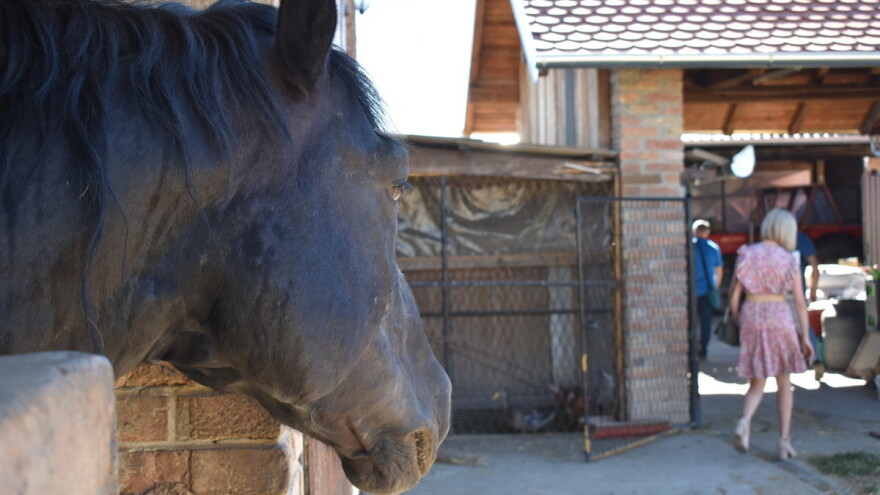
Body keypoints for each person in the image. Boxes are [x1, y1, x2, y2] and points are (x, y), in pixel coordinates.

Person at [729, 208, 814, 460]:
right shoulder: (790, 259)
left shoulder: (746, 253)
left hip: (752, 312)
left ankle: (744, 423)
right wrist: (805, 337)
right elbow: (799, 302)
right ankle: (784, 441)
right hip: (779, 314)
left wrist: (739, 319)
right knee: (783, 380)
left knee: (757, 379)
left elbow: (734, 297)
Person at [693, 219, 723, 359]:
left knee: (691, 322)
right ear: (707, 232)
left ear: (695, 231)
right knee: (706, 323)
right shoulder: (714, 248)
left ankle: (691, 351)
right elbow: (719, 272)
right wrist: (714, 288)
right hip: (706, 291)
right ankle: (703, 350)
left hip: (691, 292)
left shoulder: (689, 247)